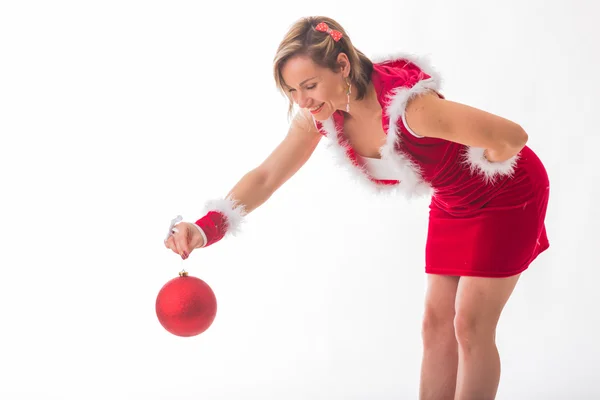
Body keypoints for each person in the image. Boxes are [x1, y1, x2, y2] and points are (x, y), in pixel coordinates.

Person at [163, 16, 550, 400]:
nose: (302, 101)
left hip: (506, 196)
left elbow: (511, 136)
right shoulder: (323, 115)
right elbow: (267, 176)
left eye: (310, 85)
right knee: (435, 324)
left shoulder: (411, 108)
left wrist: (482, 173)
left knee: (469, 325)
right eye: (292, 91)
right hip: (452, 202)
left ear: (343, 65)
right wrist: (205, 227)